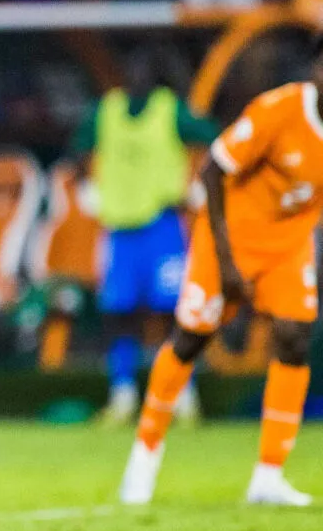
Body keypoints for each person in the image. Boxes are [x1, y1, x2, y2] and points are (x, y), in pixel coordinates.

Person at [120, 43, 323, 506]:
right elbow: (213, 172)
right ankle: (145, 453)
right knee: (191, 338)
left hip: (288, 244)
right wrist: (228, 263)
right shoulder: (278, 110)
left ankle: (268, 475)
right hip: (230, 238)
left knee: (294, 337)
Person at [69, 45, 217, 425]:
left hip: (161, 225)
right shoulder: (106, 111)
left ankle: (183, 395)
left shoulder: (170, 110)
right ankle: (122, 396)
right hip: (120, 228)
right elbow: (78, 150)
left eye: (144, 71)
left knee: (174, 313)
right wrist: (86, 185)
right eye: (131, 70)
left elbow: (215, 138)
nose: (137, 78)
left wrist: (200, 182)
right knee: (118, 313)